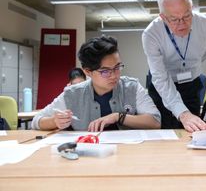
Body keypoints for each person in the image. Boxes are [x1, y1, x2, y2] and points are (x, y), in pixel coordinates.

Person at [32, 35, 161, 132]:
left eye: (117, 67)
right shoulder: (73, 94)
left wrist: (118, 116)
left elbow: (155, 121)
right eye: (105, 71)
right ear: (88, 71)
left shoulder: (131, 87)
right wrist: (55, 121)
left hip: (127, 156)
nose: (114, 75)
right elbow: (36, 121)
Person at [142, 0, 206, 132]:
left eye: (187, 16)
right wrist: (182, 113)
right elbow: (160, 78)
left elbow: (205, 53)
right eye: (174, 19)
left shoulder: (205, 24)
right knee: (163, 131)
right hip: (162, 85)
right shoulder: (151, 34)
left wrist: (187, 115)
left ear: (191, 8)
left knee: (193, 129)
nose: (182, 23)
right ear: (162, 17)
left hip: (192, 84)